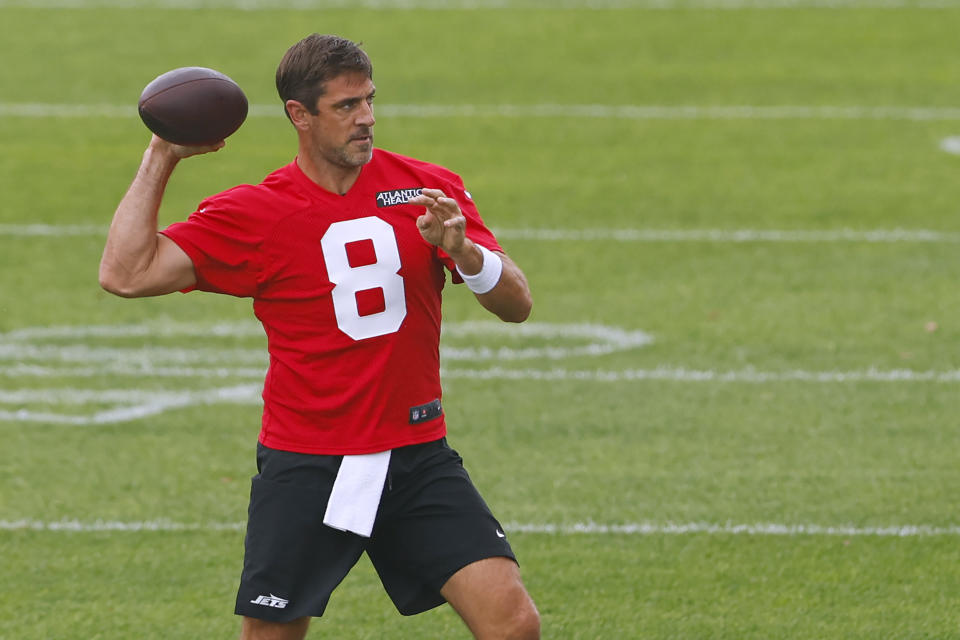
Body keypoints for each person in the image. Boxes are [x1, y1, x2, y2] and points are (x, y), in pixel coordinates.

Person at [99, 34, 539, 640]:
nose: (367, 119)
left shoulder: (428, 189)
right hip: (308, 463)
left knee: (513, 623)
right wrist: (162, 154)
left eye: (369, 101)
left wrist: (462, 251)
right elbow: (125, 273)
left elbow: (516, 304)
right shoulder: (255, 212)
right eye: (346, 106)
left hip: (416, 454)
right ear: (298, 116)